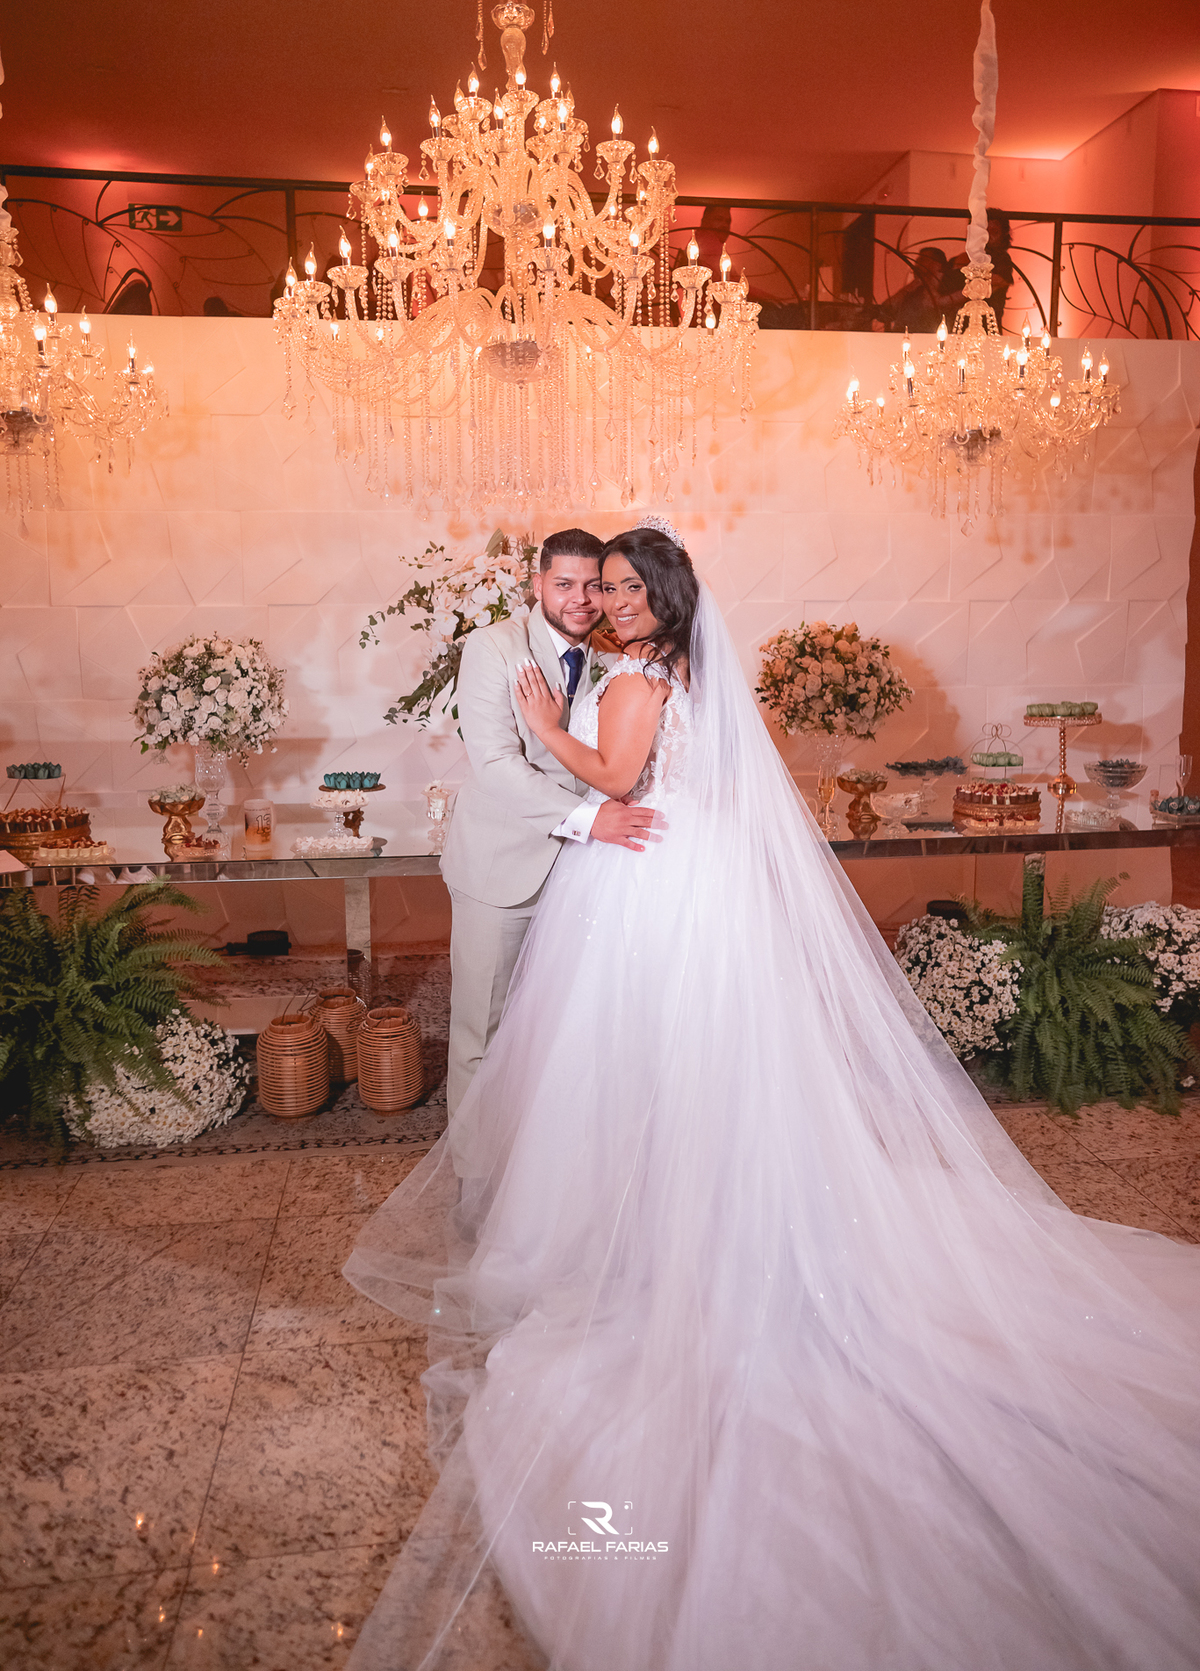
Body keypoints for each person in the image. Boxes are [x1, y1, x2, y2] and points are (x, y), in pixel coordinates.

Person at [346, 520, 1200, 1670]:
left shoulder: (640, 677)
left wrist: (551, 728)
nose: (612, 600)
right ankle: (663, 1206)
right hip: (683, 875)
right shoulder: (688, 669)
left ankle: (646, 1231)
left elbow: (618, 777)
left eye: (628, 586)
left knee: (637, 1062)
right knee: (676, 1060)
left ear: (660, 594)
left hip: (644, 878)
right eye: (601, 585)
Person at [438, 527, 655, 1118]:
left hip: (587, 878)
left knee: (565, 1036)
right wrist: (590, 818)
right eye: (564, 585)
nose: (581, 600)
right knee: (483, 1037)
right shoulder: (494, 647)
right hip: (503, 874)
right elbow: (495, 765)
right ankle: (478, 1173)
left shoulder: (615, 655)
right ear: (537, 585)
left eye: (594, 586)